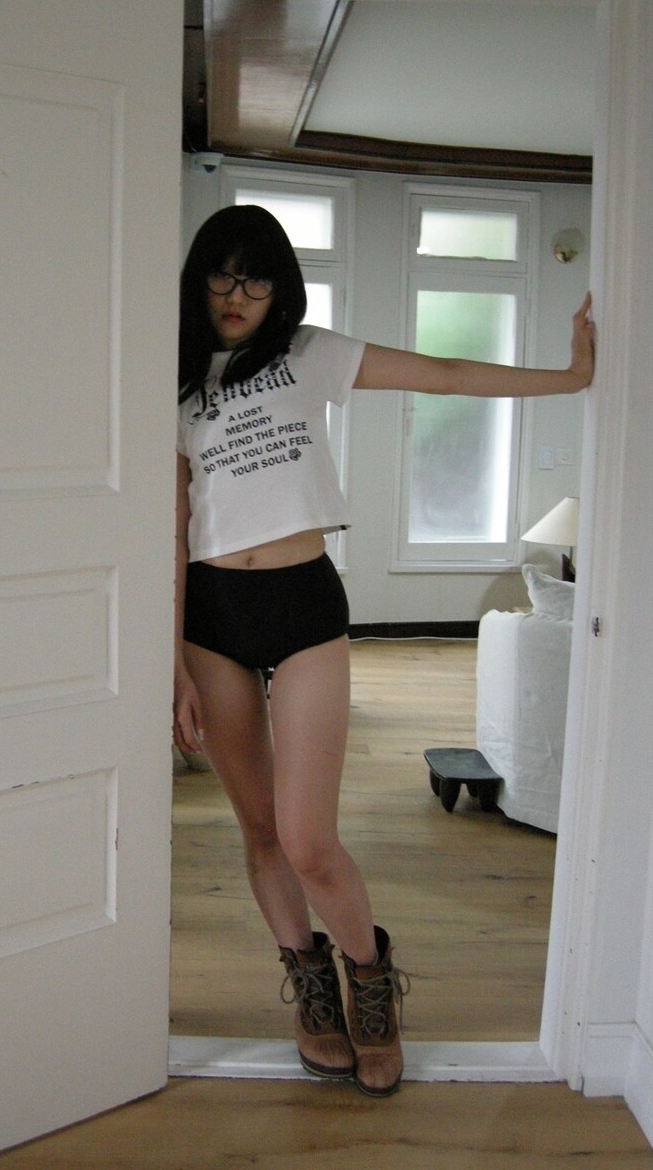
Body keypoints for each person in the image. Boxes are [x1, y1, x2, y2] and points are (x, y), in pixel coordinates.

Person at [173, 204, 595, 1097]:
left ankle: (369, 974)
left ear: (280, 288)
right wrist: (169, 657)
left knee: (308, 839)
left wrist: (570, 377)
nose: (238, 294)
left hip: (302, 602)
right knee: (259, 831)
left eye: (257, 276)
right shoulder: (168, 381)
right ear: (198, 281)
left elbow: (443, 371)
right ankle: (310, 984)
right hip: (209, 613)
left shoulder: (307, 353)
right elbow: (169, 524)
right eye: (222, 274)